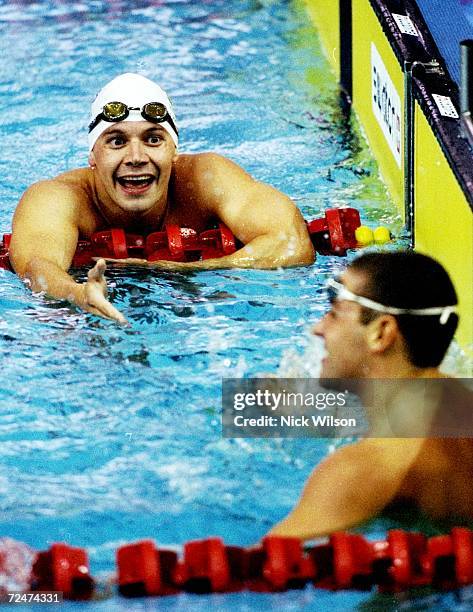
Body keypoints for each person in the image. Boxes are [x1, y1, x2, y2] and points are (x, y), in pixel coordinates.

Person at [9, 73, 314, 323]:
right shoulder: (57, 198)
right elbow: (39, 267)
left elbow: (292, 242)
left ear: (174, 150)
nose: (136, 157)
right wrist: (79, 295)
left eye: (153, 139)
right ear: (93, 154)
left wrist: (186, 270)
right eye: (117, 141)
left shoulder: (206, 179)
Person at [268, 251, 473, 540]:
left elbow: (267, 566)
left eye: (335, 314)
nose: (318, 329)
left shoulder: (362, 469)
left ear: (381, 332)